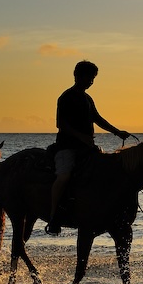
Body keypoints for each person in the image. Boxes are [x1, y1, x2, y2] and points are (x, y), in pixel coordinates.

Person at [46, 61, 130, 235]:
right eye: (89, 78)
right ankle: (53, 217)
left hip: (87, 148)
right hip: (67, 147)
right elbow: (61, 124)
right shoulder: (66, 97)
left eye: (93, 79)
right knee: (64, 176)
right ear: (78, 76)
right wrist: (81, 136)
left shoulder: (87, 99)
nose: (91, 82)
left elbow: (98, 119)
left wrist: (117, 132)